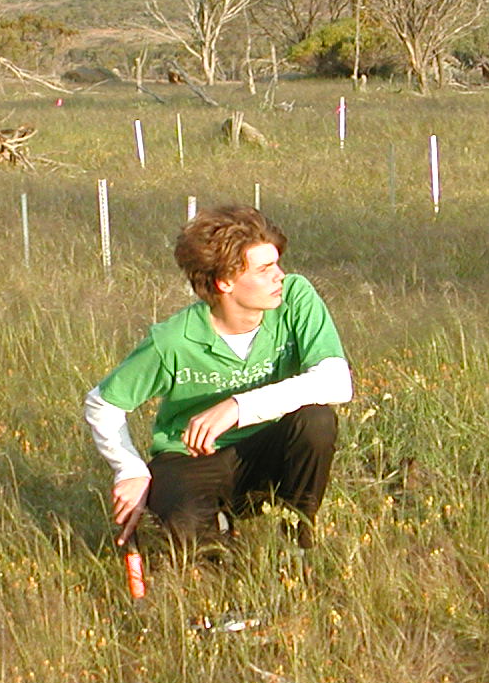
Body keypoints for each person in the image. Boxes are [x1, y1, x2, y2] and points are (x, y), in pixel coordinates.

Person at [83, 204, 351, 553]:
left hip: (267, 447)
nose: (280, 276)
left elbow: (336, 382)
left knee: (316, 420)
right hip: (189, 459)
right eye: (265, 268)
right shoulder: (172, 340)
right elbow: (102, 403)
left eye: (278, 264)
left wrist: (238, 407)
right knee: (196, 547)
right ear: (224, 281)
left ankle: (297, 545)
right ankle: (217, 534)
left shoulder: (296, 298)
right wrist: (129, 468)